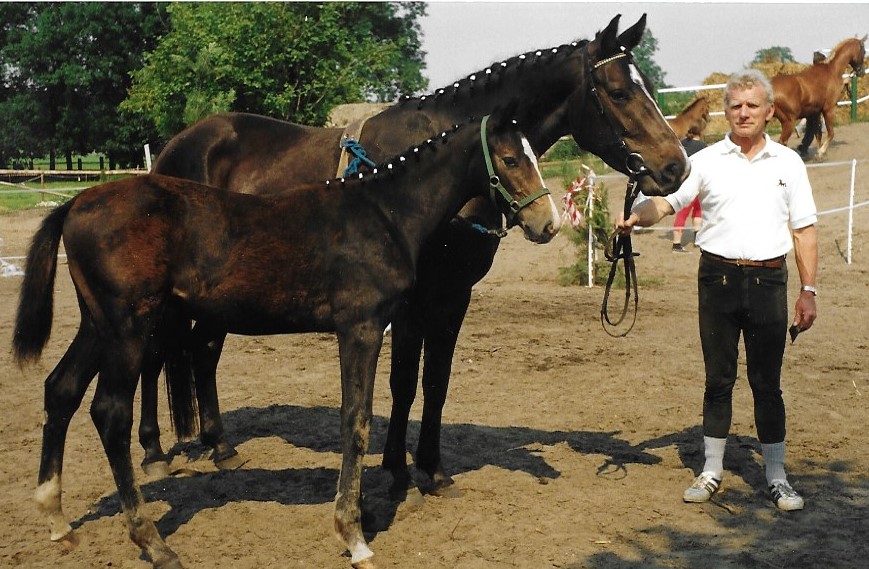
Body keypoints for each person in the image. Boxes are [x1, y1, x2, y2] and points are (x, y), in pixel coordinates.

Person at [617, 69, 818, 511]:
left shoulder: (789, 163)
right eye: (735, 106)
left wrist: (808, 289)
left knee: (767, 383)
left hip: (769, 281)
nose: (743, 113)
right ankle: (711, 471)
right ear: (725, 112)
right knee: (718, 381)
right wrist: (637, 215)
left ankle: (777, 476)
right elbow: (668, 203)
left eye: (752, 106)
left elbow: (803, 230)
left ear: (769, 111)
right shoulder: (705, 161)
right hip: (718, 281)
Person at [672, 126, 707, 252]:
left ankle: (678, 242)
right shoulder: (702, 146)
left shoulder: (681, 143)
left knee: (683, 211)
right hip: (698, 181)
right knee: (698, 210)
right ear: (700, 132)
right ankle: (691, 240)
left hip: (683, 181)